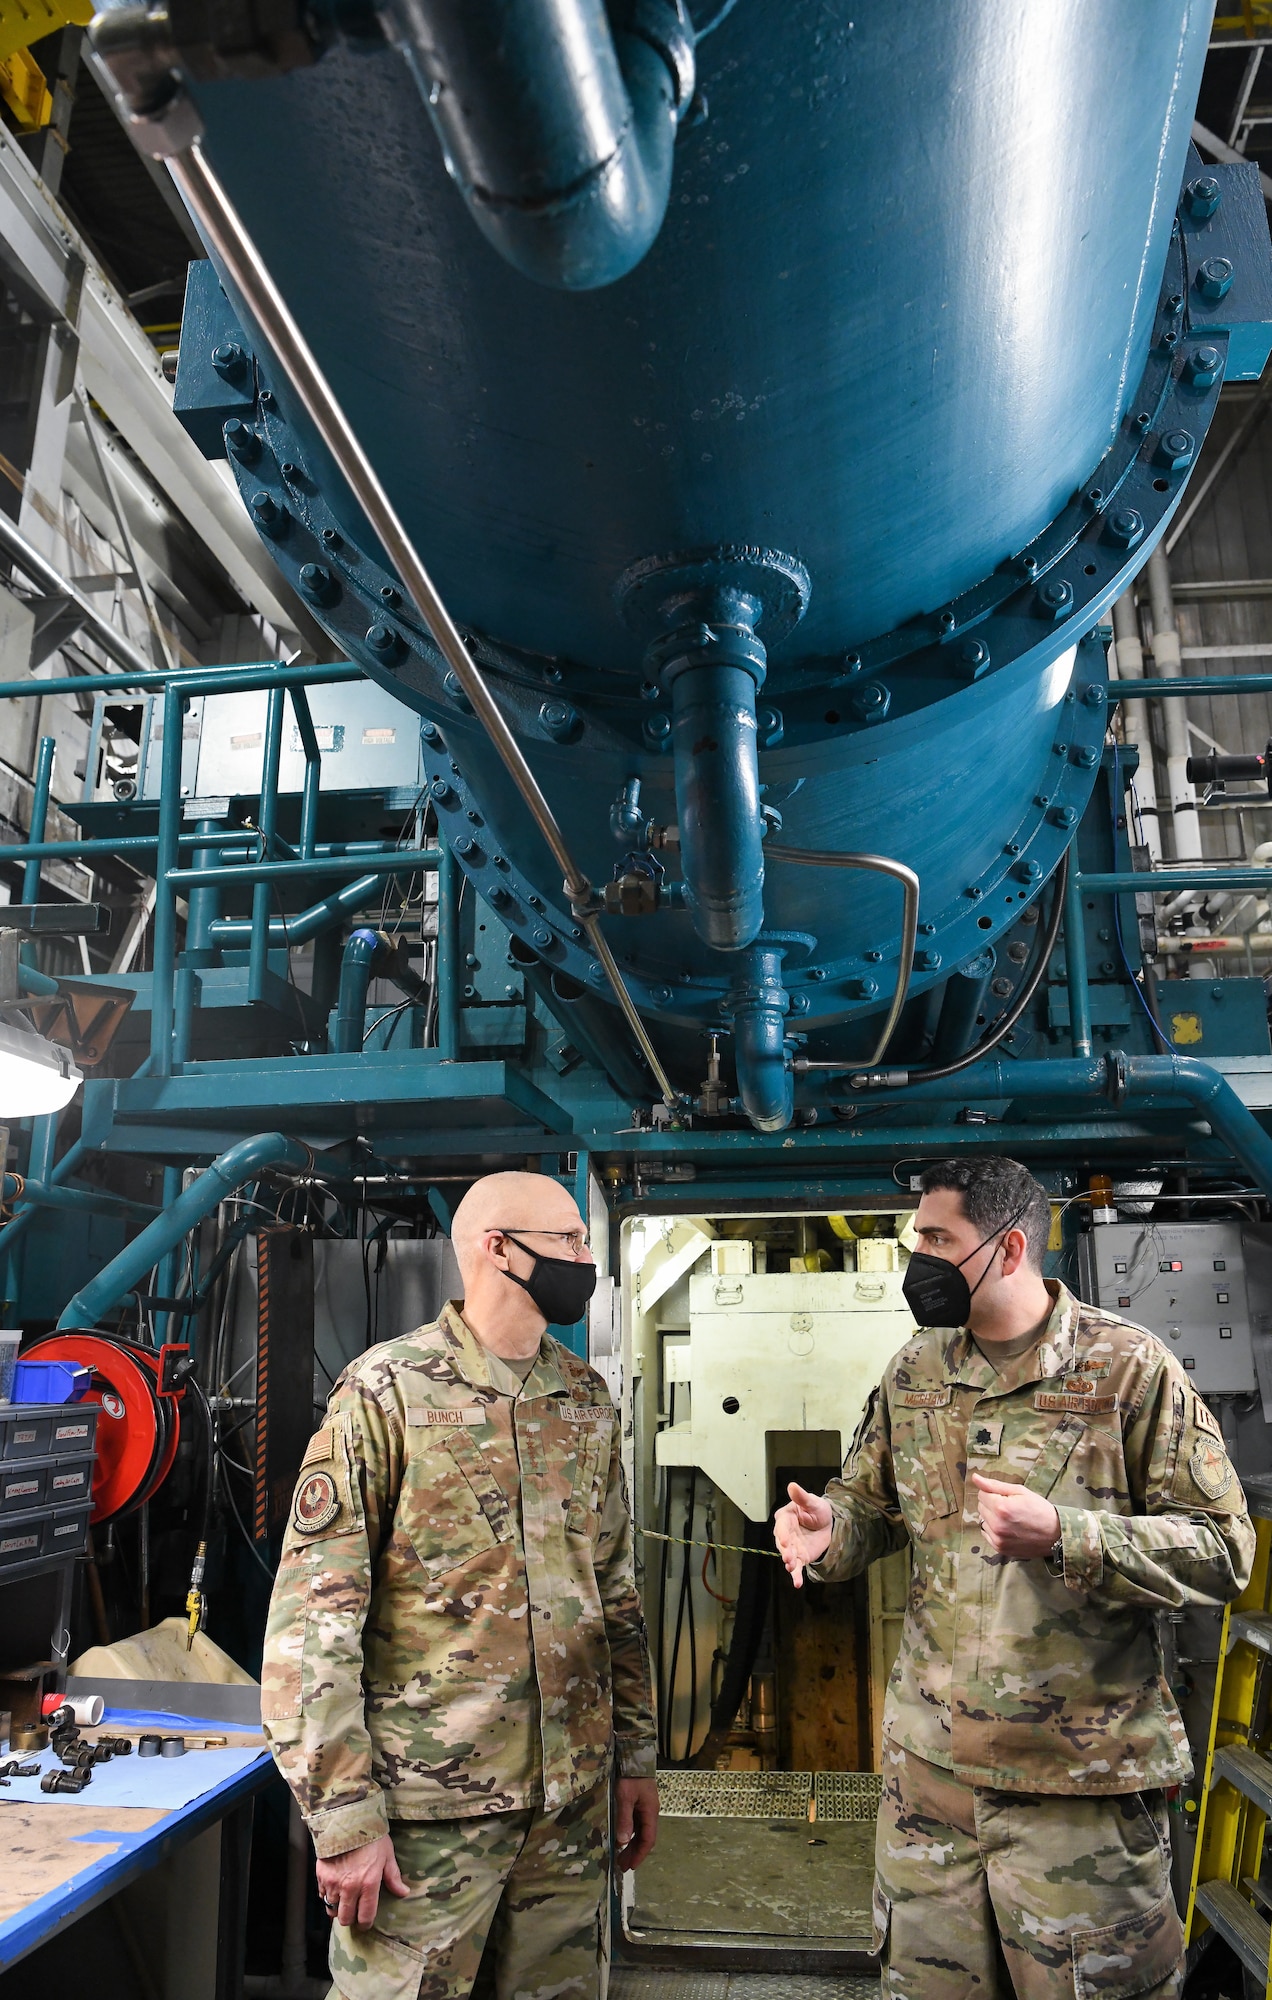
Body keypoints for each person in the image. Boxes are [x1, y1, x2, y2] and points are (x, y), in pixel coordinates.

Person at [774, 1156, 1253, 2000]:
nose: (915, 1255)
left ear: (1008, 1248)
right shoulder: (916, 1371)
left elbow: (1224, 1549)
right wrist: (826, 1533)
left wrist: (1068, 1534)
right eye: (915, 1234)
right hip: (931, 1784)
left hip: (1077, 1795)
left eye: (935, 1238)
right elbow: (871, 1508)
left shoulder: (1128, 1369)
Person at [260, 1169, 658, 2000]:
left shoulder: (585, 1401)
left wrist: (636, 1760)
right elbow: (313, 1626)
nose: (587, 1259)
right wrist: (342, 1819)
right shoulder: (386, 1394)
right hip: (429, 1820)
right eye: (571, 1242)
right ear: (498, 1248)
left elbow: (615, 1598)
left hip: (569, 1808)